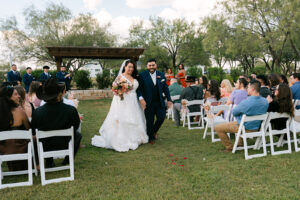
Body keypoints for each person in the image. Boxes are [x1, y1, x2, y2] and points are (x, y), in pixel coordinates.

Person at [92, 60, 148, 151]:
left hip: (133, 101)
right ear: (125, 67)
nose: (131, 69)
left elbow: (137, 89)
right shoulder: (120, 77)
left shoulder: (135, 77)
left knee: (134, 118)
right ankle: (123, 139)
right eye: (129, 67)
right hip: (123, 102)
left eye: (132, 67)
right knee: (124, 119)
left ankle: (135, 138)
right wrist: (119, 92)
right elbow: (115, 90)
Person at [31, 78, 82, 167]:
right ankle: (68, 159)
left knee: (36, 138)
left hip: (45, 146)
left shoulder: (37, 112)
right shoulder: (70, 110)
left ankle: (49, 161)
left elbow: (33, 130)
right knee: (77, 135)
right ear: (60, 94)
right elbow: (76, 125)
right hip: (66, 143)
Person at [215, 80, 269, 152]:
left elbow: (234, 112)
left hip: (245, 127)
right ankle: (240, 144)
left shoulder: (246, 102)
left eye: (248, 87)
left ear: (252, 89)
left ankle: (229, 147)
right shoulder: (265, 101)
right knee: (241, 121)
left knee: (218, 128)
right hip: (257, 127)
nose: (247, 89)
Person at [137, 58, 172, 144]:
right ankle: (150, 138)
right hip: (148, 102)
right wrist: (141, 98)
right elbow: (139, 89)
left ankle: (154, 131)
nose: (151, 67)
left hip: (160, 101)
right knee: (150, 120)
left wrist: (169, 99)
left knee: (161, 117)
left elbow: (165, 88)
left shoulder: (161, 74)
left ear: (156, 65)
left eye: (153, 65)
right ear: (147, 66)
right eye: (150, 65)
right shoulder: (142, 75)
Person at [0, 86, 30, 171]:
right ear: (9, 98)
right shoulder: (19, 111)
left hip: (3, 150)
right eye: (16, 94)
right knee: (34, 139)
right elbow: (29, 129)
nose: (19, 96)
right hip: (20, 148)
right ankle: (38, 165)